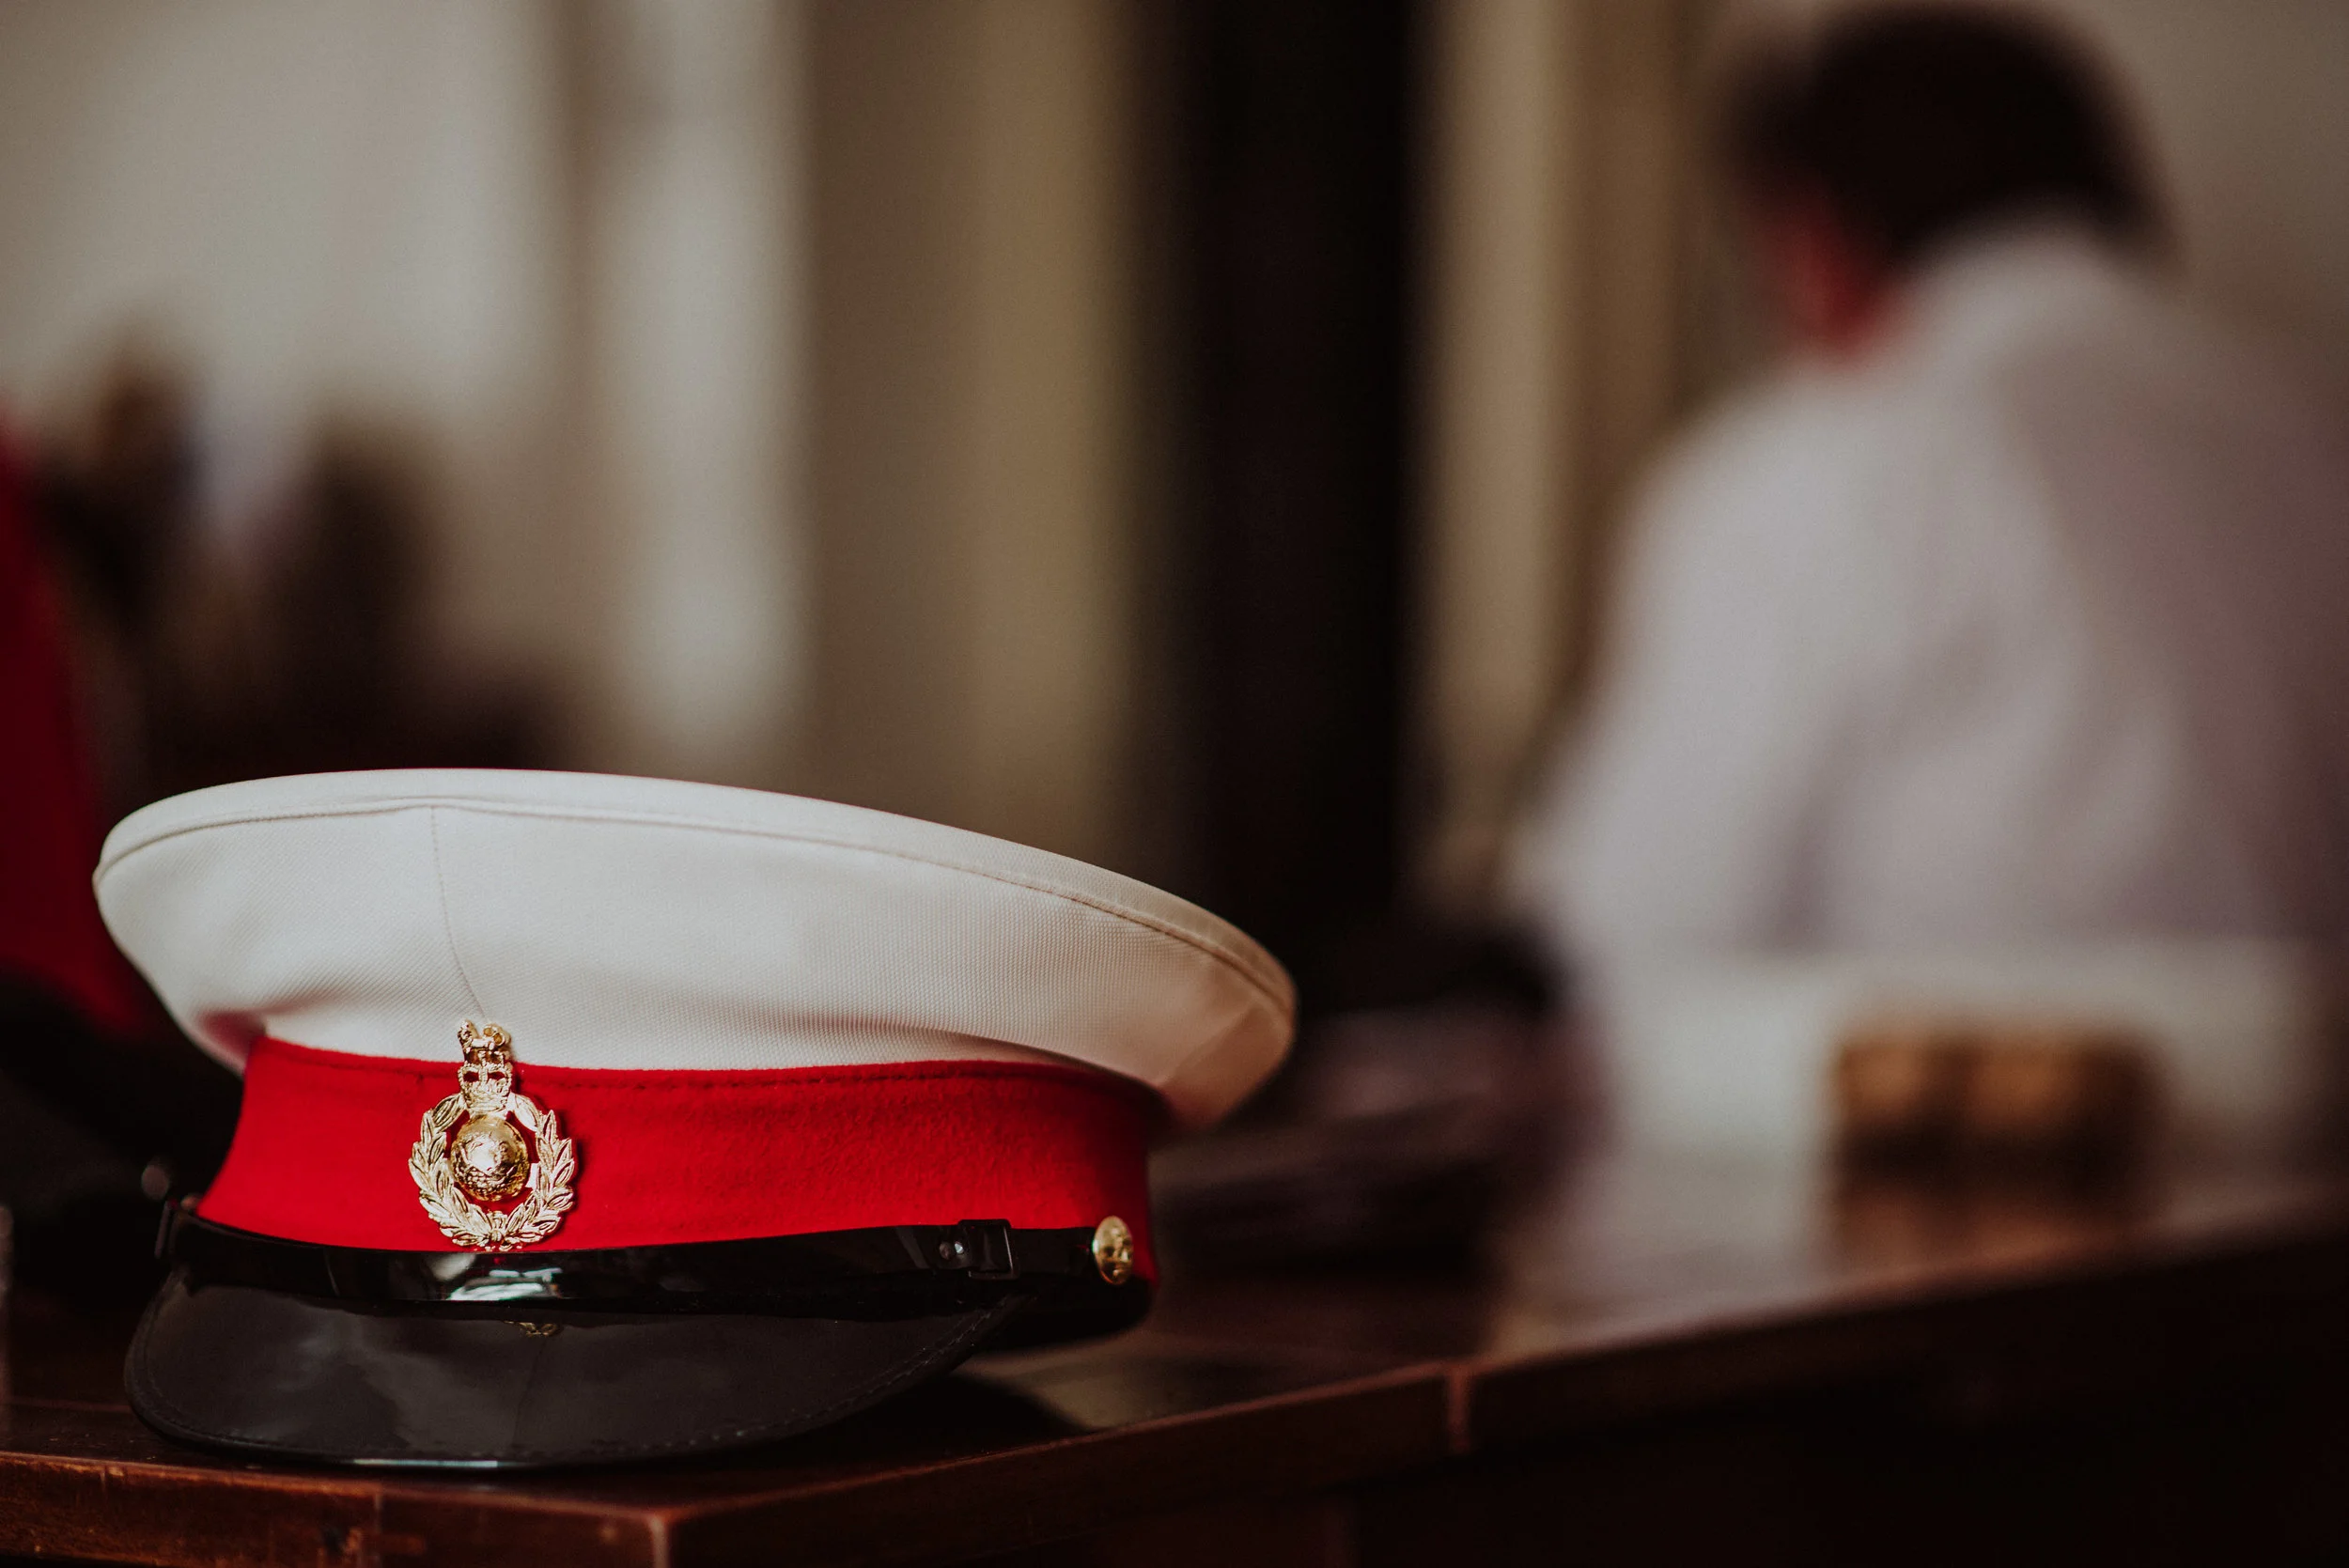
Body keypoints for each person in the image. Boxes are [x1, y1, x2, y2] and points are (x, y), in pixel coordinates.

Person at [1509, 7, 2349, 980]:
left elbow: (1634, 927)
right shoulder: (2314, 430)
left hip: (1958, 1113)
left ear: (1812, 236)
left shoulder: (1827, 462)